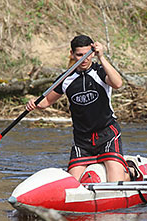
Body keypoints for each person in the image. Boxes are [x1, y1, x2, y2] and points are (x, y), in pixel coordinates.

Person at [26, 35, 132, 182]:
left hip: (107, 134)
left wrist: (101, 57)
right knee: (72, 182)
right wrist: (34, 103)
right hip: (82, 139)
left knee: (115, 182)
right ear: (72, 54)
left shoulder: (100, 72)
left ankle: (130, 173)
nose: (84, 59)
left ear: (93, 53)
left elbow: (117, 83)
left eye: (88, 55)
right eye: (80, 55)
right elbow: (46, 101)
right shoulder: (66, 78)